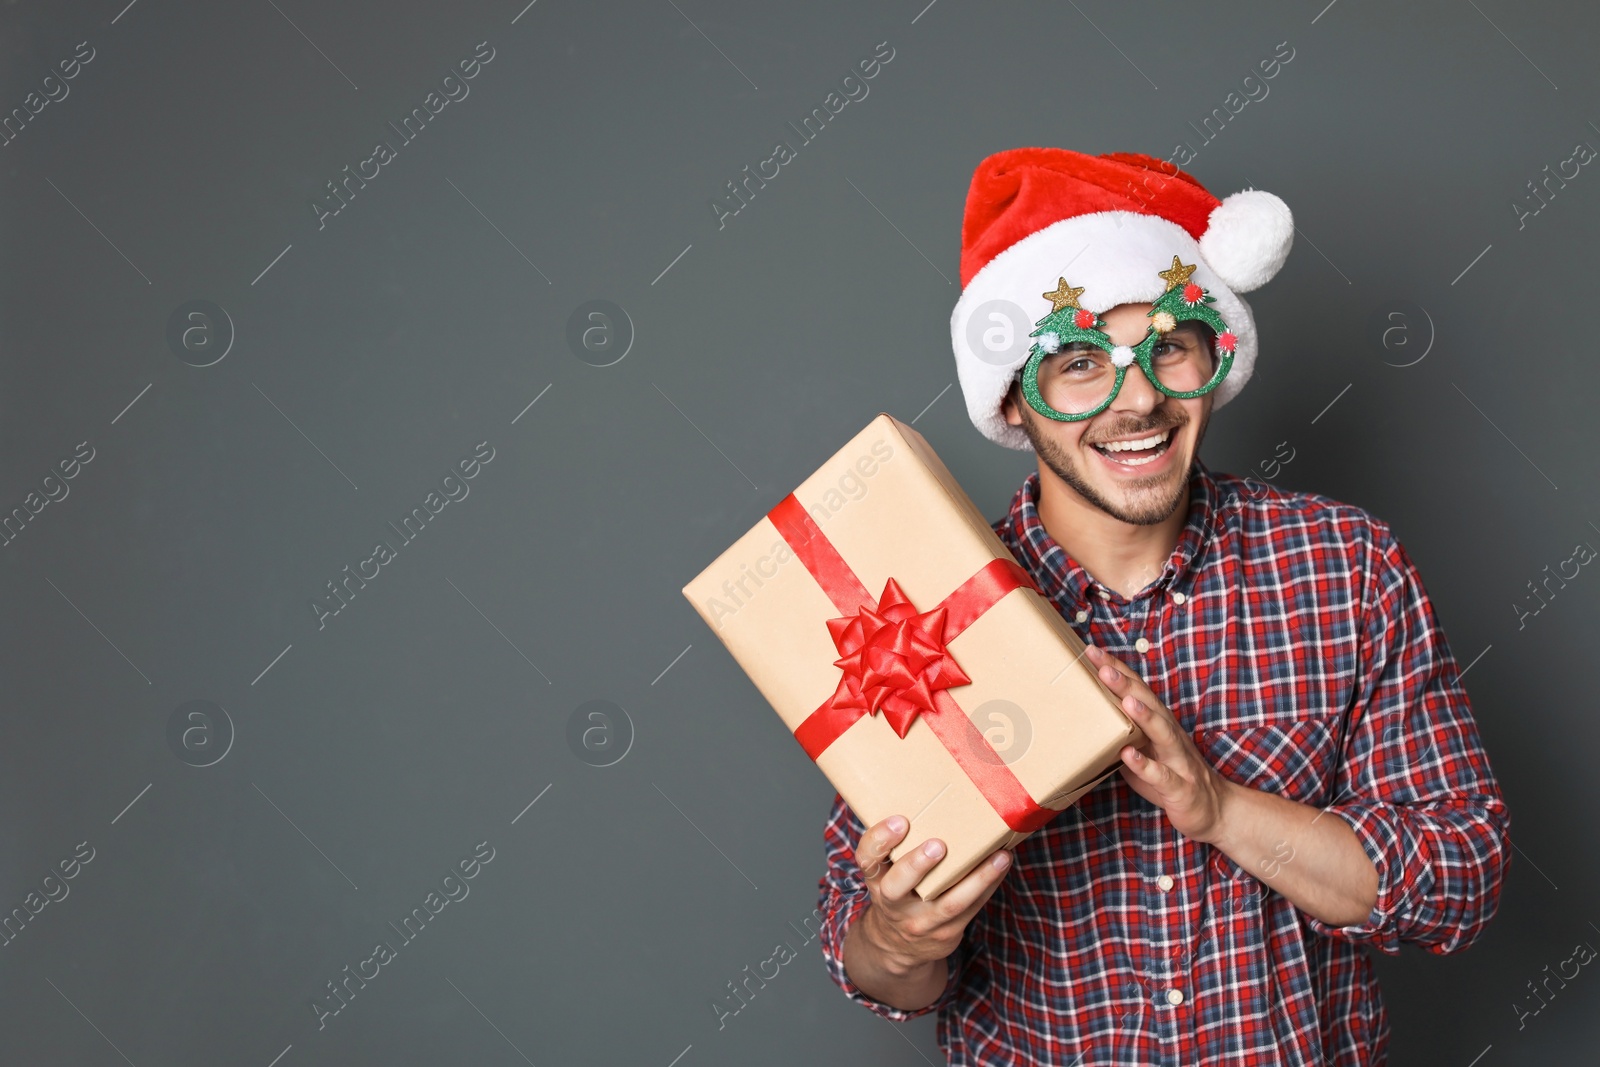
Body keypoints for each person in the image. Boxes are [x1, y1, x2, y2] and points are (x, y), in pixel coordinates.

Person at [815, 148, 1510, 1065]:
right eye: (1078, 362)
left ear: (1211, 357)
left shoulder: (1348, 565)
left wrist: (1218, 808)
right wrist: (900, 935)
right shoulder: (928, 616)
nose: (1137, 398)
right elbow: (872, 962)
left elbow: (1458, 876)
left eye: (1167, 348)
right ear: (1014, 402)